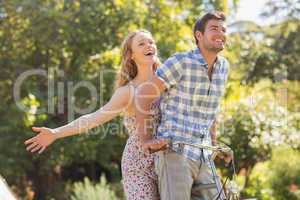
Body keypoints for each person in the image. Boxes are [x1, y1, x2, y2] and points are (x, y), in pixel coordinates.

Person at [24, 29, 166, 200]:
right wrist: (56, 133)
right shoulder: (127, 92)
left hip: (168, 159)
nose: (148, 45)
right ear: (131, 55)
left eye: (151, 42)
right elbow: (93, 119)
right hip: (139, 165)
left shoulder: (169, 82)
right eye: (141, 43)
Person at [135, 11, 230, 200]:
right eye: (214, 29)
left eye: (223, 29)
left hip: (204, 156)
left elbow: (211, 111)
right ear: (199, 35)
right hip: (175, 154)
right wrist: (146, 139)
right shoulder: (182, 62)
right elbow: (143, 96)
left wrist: (215, 145)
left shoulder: (224, 67)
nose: (220, 33)